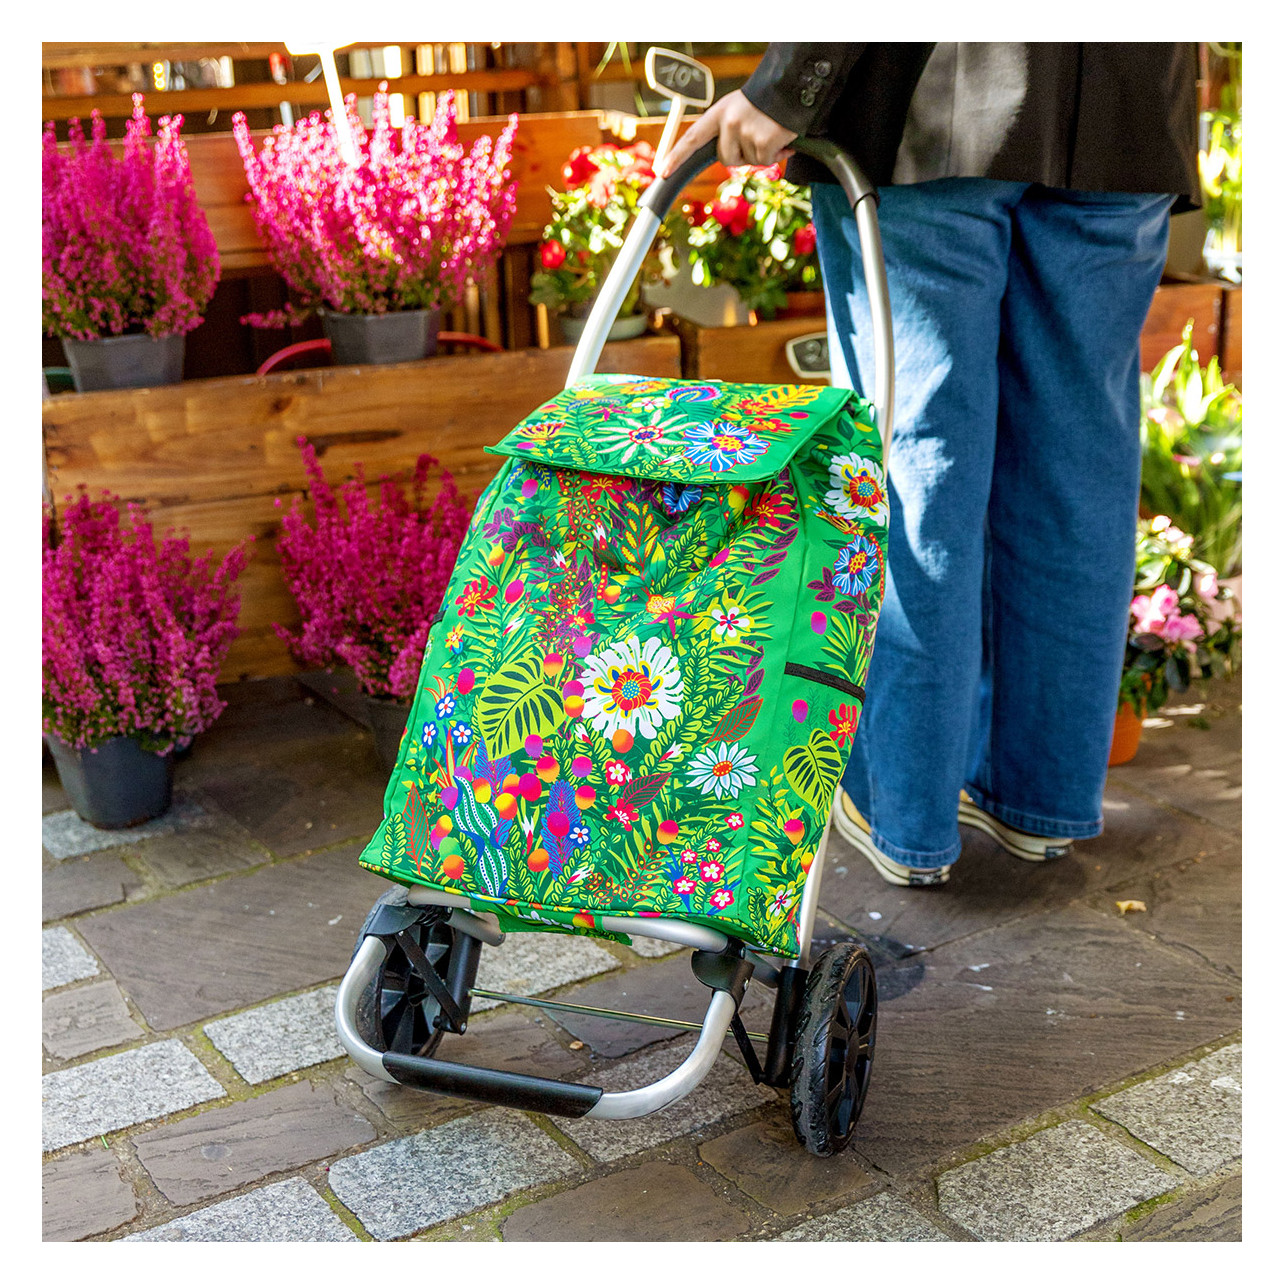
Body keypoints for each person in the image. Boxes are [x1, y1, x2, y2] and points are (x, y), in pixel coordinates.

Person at [661, 44, 1199, 886]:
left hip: (935, 103)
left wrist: (790, 84)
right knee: (1075, 474)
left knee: (920, 469)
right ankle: (1036, 799)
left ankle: (903, 811)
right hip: (1125, 110)